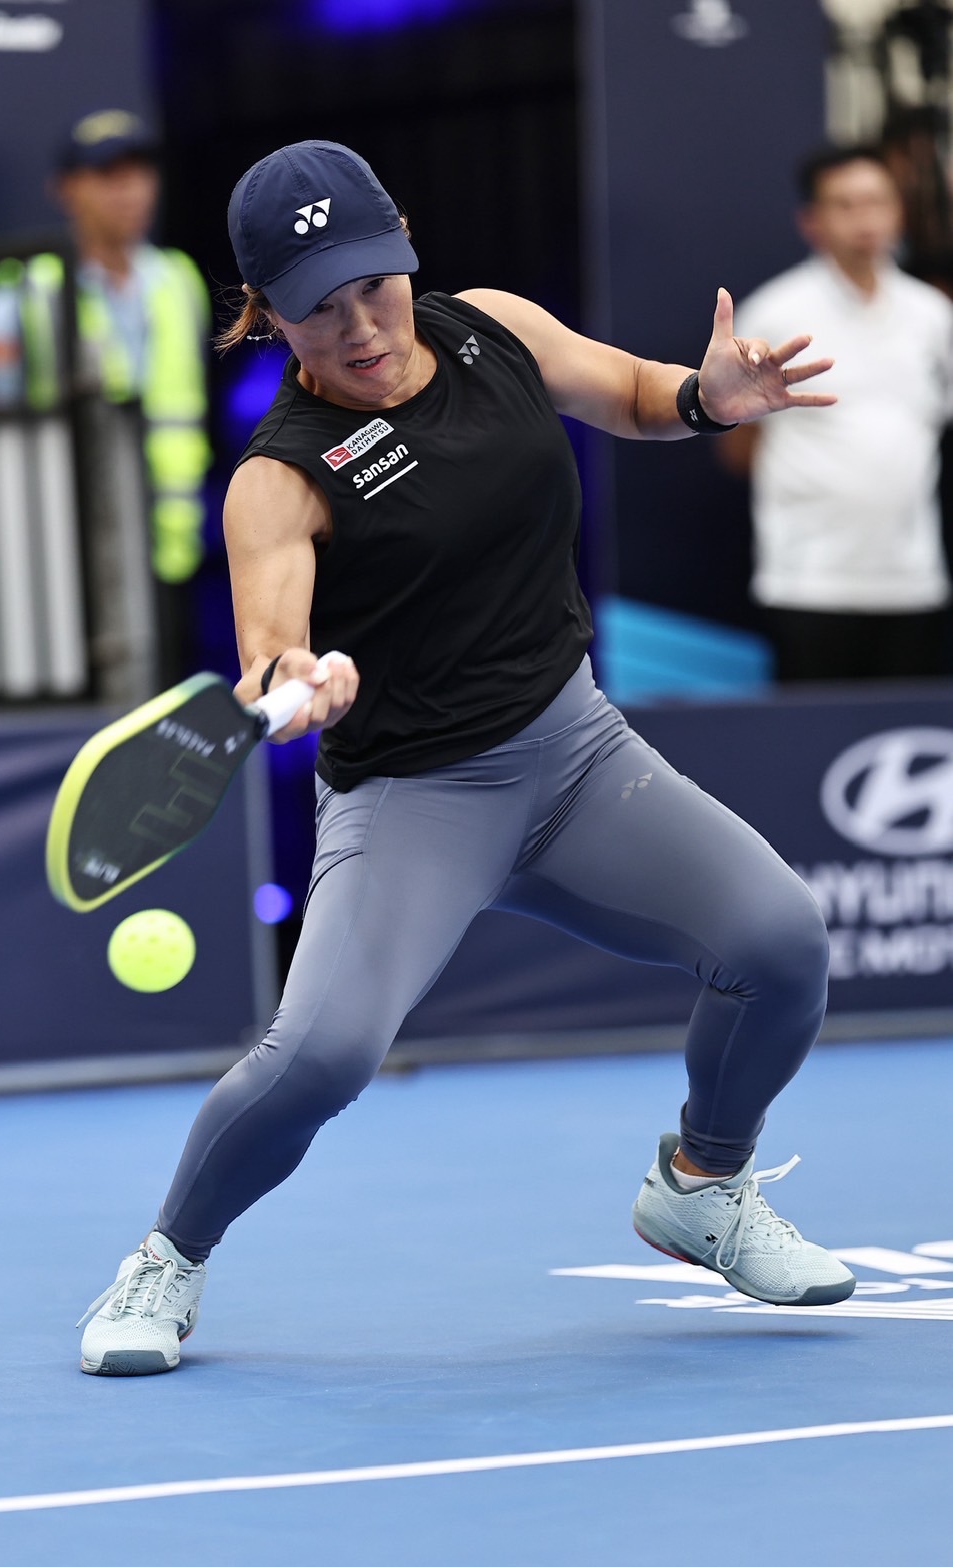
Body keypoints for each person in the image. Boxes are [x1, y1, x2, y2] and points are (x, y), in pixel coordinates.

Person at [78, 139, 854, 1377]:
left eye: (373, 284)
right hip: (412, 802)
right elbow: (270, 652)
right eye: (318, 307)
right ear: (264, 312)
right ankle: (168, 1255)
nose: (361, 326)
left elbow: (634, 392)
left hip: (579, 758)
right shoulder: (278, 476)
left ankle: (702, 1185)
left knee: (781, 942)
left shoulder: (494, 329)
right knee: (322, 1056)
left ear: (404, 250)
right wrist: (301, 682)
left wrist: (707, 397)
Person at [0, 109, 212, 676]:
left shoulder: (180, 279)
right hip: (75, 556)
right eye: (108, 174)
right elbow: (2, 441)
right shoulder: (21, 299)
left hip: (177, 545)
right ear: (65, 189)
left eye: (140, 171)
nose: (130, 189)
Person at [720, 143, 953, 682]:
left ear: (899, 211)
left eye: (876, 202)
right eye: (845, 205)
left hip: (914, 579)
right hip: (808, 582)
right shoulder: (774, 313)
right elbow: (736, 443)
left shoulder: (933, 316)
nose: (864, 219)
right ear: (812, 222)